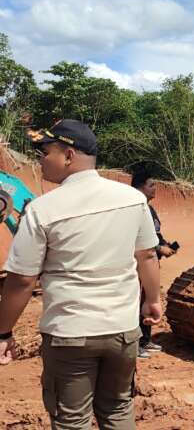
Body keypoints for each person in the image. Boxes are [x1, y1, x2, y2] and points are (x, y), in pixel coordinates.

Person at [0, 119, 161, 430]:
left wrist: (3, 332)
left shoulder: (42, 209)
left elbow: (22, 280)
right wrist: (152, 299)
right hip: (123, 331)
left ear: (69, 155)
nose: (41, 159)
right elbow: (147, 255)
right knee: (117, 410)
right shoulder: (133, 199)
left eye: (45, 152)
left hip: (70, 335)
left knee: (72, 420)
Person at [131, 170, 179, 359]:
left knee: (147, 301)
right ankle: (134, 345)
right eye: (152, 185)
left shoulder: (149, 209)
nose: (155, 189)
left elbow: (155, 235)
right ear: (140, 186)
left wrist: (165, 245)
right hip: (137, 264)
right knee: (135, 303)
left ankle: (144, 340)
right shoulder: (135, 207)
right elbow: (138, 239)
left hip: (150, 263)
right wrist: (159, 249)